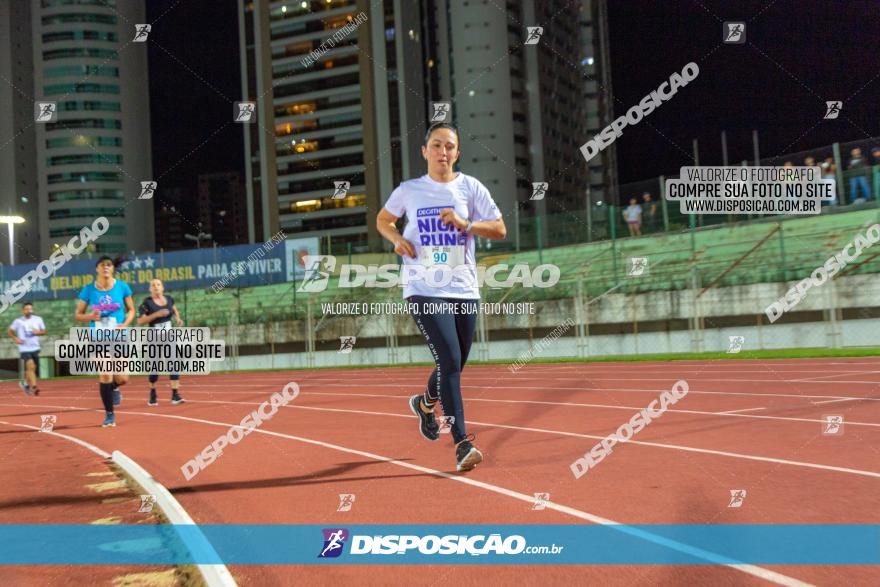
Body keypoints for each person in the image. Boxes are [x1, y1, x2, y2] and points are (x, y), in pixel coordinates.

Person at [376, 121, 506, 472]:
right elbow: (383, 220)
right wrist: (396, 240)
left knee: (457, 362)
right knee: (449, 360)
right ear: (425, 151)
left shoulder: (471, 188)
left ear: (457, 153)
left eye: (449, 146)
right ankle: (462, 443)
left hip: (463, 287)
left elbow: (499, 228)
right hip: (422, 286)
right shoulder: (409, 190)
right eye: (436, 145)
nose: (443, 152)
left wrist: (466, 224)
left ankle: (425, 403)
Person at [75, 256, 135, 427]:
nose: (106, 267)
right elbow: (78, 315)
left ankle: (115, 386)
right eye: (102, 265)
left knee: (122, 378)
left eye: (109, 265)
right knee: (106, 373)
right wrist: (90, 316)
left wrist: (126, 323)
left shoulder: (122, 287)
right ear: (97, 269)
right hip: (98, 337)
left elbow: (131, 310)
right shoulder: (88, 290)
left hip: (118, 336)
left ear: (113, 268)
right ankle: (110, 415)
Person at [137, 278, 185, 406]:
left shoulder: (169, 299)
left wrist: (178, 319)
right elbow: (140, 321)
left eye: (158, 284)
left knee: (174, 362)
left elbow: (174, 310)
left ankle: (175, 394)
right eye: (153, 285)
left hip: (169, 335)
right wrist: (156, 314)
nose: (156, 286)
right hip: (154, 337)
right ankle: (152, 392)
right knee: (155, 367)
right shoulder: (146, 303)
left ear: (162, 287)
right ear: (150, 289)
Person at [8, 302, 46, 395]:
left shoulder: (38, 319)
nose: (29, 311)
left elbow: (44, 331)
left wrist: (38, 332)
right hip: (24, 348)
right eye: (27, 309)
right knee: (31, 366)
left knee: (32, 369)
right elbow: (10, 331)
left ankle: (24, 383)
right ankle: (34, 387)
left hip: (35, 347)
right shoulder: (18, 321)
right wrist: (15, 338)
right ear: (23, 310)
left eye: (30, 309)